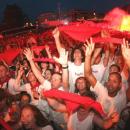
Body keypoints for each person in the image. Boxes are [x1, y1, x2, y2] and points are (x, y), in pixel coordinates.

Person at [84, 38, 127, 117]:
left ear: (120, 85)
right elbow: (88, 75)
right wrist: (88, 55)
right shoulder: (102, 91)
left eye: (114, 81)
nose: (110, 83)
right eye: (109, 80)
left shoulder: (123, 96)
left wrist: (128, 59)